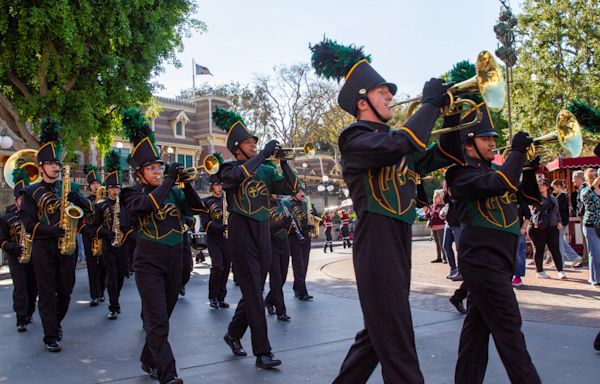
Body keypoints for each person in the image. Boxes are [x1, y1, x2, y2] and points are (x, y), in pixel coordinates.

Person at [310, 37, 457, 383]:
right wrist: (430, 104)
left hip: (396, 238)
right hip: (375, 241)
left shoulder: (394, 142)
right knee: (397, 336)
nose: (390, 95)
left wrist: (459, 116)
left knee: (378, 335)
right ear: (362, 103)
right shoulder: (355, 139)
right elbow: (405, 142)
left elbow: (438, 152)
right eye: (381, 92)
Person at [445, 102, 542, 383]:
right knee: (510, 330)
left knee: (476, 334)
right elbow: (498, 184)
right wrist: (516, 153)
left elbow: (532, 200)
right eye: (486, 139)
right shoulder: (460, 173)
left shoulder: (496, 172)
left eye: (493, 139)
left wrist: (529, 169)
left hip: (498, 262)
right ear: (468, 144)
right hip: (482, 261)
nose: (492, 144)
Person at [120, 107, 204, 384]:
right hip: (148, 262)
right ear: (139, 172)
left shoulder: (173, 191)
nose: (157, 171)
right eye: (151, 168)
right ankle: (169, 375)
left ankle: (148, 358)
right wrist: (169, 180)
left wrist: (187, 183)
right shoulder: (131, 193)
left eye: (160, 166)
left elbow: (197, 209)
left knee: (162, 321)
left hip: (175, 259)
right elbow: (145, 206)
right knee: (156, 321)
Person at [213, 107, 300, 369]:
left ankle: (233, 334)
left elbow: (291, 188)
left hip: (263, 231)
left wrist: (283, 161)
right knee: (253, 292)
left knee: (254, 292)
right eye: (250, 141)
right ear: (236, 147)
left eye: (256, 142)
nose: (254, 144)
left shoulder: (264, 169)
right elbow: (239, 176)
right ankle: (262, 353)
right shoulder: (226, 169)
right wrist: (263, 154)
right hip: (241, 233)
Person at [19, 118, 94, 352]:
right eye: (50, 163)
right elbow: (28, 223)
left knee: (66, 289)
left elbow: (88, 210)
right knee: (47, 290)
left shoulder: (67, 188)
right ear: (41, 167)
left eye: (56, 163)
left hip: (67, 246)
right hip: (43, 247)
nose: (55, 166)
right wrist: (51, 230)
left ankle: (55, 323)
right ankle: (50, 335)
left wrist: (77, 198)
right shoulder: (30, 192)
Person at [93, 151, 133, 320]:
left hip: (123, 244)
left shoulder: (125, 205)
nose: (114, 190)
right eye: (111, 187)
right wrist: (108, 233)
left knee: (121, 274)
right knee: (111, 275)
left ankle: (115, 299)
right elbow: (93, 227)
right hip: (108, 244)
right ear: (107, 189)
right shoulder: (101, 206)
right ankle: (113, 305)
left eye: (117, 187)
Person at [0, 169, 38, 332]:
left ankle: (29, 313)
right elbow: (1, 240)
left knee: (33, 286)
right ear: (16, 201)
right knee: (20, 287)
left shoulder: (34, 217)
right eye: (21, 200)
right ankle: (21, 318)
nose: (23, 202)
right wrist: (13, 248)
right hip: (15, 257)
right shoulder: (6, 218)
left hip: (33, 256)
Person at [201, 170, 231, 309]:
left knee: (225, 269)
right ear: (212, 186)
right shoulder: (206, 201)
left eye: (221, 185)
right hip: (214, 238)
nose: (220, 187)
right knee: (217, 266)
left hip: (228, 239)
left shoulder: (228, 200)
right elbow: (205, 222)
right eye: (217, 185)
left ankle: (221, 297)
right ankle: (212, 296)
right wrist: (220, 227)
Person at [80, 164, 106, 306]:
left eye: (97, 183)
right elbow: (80, 219)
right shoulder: (87, 201)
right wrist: (87, 230)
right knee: (91, 266)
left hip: (102, 236)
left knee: (103, 265)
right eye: (93, 184)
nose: (95, 186)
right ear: (89, 187)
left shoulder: (106, 200)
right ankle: (94, 295)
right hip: (88, 236)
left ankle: (101, 291)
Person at [529, 179, 566, 279]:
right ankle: (540, 271)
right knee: (539, 249)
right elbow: (533, 211)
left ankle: (560, 270)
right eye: (539, 185)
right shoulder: (535, 197)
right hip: (538, 226)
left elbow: (557, 212)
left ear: (547, 187)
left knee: (555, 249)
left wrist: (559, 222)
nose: (541, 186)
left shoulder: (553, 198)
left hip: (552, 226)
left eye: (543, 185)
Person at [265, 193, 292, 321]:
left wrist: (289, 223)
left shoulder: (284, 204)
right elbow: (265, 228)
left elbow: (287, 226)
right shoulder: (263, 205)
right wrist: (282, 222)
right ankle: (281, 311)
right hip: (271, 244)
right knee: (276, 278)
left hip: (284, 242)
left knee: (283, 278)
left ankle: (269, 301)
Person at [289, 188, 317, 301]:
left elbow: (315, 219)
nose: (302, 193)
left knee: (304, 264)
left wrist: (314, 215)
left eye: (302, 191)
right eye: (299, 192)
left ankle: (297, 287)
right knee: (298, 265)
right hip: (294, 237)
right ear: (293, 194)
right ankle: (302, 292)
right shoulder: (288, 204)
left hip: (306, 236)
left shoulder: (307, 204)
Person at [551, 179, 582, 267]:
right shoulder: (562, 196)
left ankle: (561, 261)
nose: (553, 190)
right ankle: (574, 257)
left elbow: (557, 209)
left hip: (561, 222)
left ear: (559, 187)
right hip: (562, 222)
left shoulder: (561, 197)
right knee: (561, 241)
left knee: (559, 242)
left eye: (554, 188)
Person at [580, 169, 600, 286]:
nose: (594, 177)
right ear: (586, 177)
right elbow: (586, 198)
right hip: (590, 225)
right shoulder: (585, 189)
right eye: (591, 176)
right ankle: (595, 279)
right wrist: (594, 185)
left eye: (595, 175)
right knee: (595, 253)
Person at [424, 189, 446, 263]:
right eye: (434, 196)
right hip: (434, 227)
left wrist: (434, 212)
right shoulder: (432, 206)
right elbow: (428, 216)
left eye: (436, 196)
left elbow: (441, 215)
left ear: (440, 197)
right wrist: (426, 212)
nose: (434, 198)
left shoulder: (443, 206)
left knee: (442, 242)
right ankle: (439, 257)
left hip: (441, 226)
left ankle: (444, 258)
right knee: (437, 243)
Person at [512, 203, 531, 287]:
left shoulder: (521, 201)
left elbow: (528, 216)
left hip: (518, 232)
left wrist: (523, 228)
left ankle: (518, 277)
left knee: (519, 255)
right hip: (504, 232)